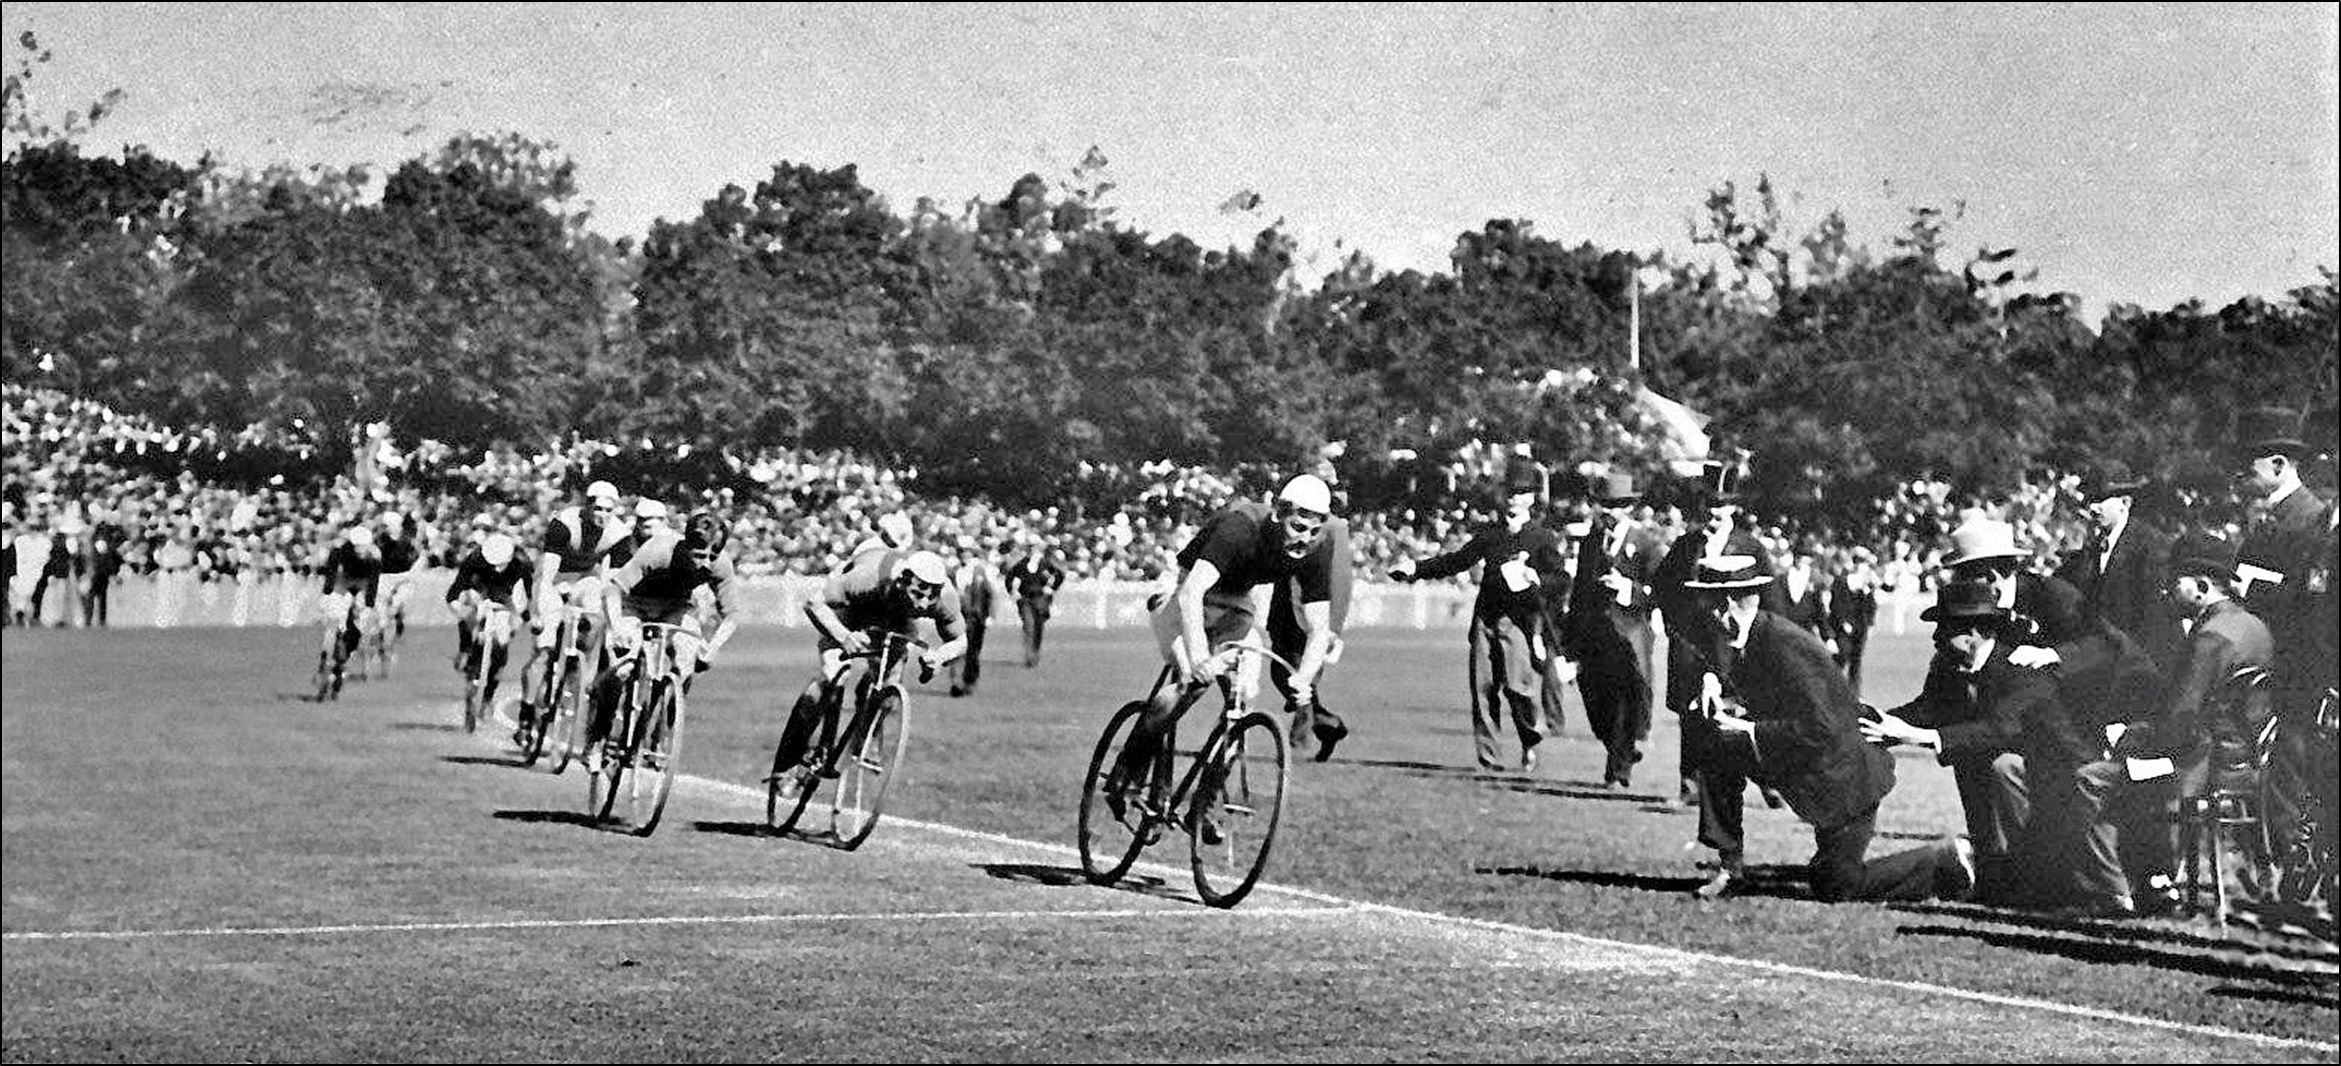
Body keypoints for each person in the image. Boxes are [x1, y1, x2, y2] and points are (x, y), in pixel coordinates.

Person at [1682, 554, 1975, 903]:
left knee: (1837, 884)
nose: (1707, 611)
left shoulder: (1785, 644)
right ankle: (1731, 868)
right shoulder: (1742, 633)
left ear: (1731, 602)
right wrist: (1712, 680)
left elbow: (1821, 727)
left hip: (1845, 778)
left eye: (1713, 601)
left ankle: (1946, 860)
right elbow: (1718, 656)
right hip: (1807, 764)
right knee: (1715, 746)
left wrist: (1749, 730)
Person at [2068, 532, 2276, 915]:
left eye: (2173, 582)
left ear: (2200, 586)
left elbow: (2180, 725)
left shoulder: (2211, 637)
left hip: (2199, 766)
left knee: (2090, 780)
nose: (2165, 590)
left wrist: (2129, 735)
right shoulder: (2255, 626)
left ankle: (2115, 891)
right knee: (2125, 779)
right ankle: (2154, 879)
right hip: (2244, 765)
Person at [1114, 474, 1341, 811]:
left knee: (1243, 699)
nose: (1304, 539)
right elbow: (1192, 592)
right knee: (1190, 682)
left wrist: (1304, 679)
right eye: (1298, 527)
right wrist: (1201, 657)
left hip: (1238, 602)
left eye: (1313, 531)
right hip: (1188, 589)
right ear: (1279, 514)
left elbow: (1319, 627)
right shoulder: (1241, 526)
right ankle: (1129, 765)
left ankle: (1205, 802)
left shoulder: (1316, 548)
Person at [1863, 579, 2087, 907]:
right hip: (2008, 776)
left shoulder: (2019, 670)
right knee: (1969, 757)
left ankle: (2033, 874)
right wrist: (1874, 720)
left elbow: (2001, 729)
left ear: (1973, 634)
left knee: (2000, 764)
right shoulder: (1949, 666)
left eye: (1944, 629)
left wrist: (1923, 737)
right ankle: (1995, 868)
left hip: (2061, 781)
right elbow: (1928, 709)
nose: (1936, 638)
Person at [1392, 465, 1568, 774]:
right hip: (1486, 618)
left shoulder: (1541, 538)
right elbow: (1456, 561)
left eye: (1520, 493)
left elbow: (1561, 580)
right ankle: (1489, 759)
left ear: (1531, 499)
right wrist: (1415, 570)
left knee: (1518, 688)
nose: (1513, 499)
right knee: (1483, 688)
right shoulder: (1491, 534)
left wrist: (1536, 577)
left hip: (1517, 622)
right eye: (1510, 492)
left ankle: (1530, 737)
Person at [771, 547, 968, 796]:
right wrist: (843, 637)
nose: (922, 604)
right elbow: (813, 603)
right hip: (851, 610)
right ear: (902, 580)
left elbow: (961, 642)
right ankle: (796, 757)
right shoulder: (868, 579)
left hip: (896, 619)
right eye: (917, 594)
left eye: (929, 599)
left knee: (890, 682)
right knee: (835, 672)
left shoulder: (945, 598)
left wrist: (939, 657)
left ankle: (869, 729)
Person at [2230, 405, 2329, 873]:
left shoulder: (2312, 519)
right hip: (2265, 662)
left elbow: (2312, 599)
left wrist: (2255, 589)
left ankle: (2298, 873)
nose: (2242, 477)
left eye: (2249, 467)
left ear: (2277, 465)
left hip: (2299, 666)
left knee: (2296, 767)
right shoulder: (2265, 517)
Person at [1652, 459, 1783, 808]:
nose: (1716, 513)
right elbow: (1662, 589)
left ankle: (1768, 779)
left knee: (1744, 713)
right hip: (1694, 644)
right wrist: (1676, 624)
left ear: (1734, 508)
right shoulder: (1685, 546)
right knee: (1693, 714)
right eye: (1711, 505)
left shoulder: (1750, 547)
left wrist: (1764, 638)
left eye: (1723, 505)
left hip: (1736, 644)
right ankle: (1690, 784)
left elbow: (1771, 598)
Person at [584, 511, 742, 772]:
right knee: (623, 669)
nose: (705, 563)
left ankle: (659, 732)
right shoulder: (659, 550)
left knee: (686, 661)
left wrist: (712, 649)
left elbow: (733, 614)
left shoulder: (721, 565)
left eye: (712, 556)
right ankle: (598, 737)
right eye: (699, 555)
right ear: (686, 545)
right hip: (633, 604)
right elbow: (613, 589)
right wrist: (617, 629)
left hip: (676, 607)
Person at [1563, 470, 1662, 788]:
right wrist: (1570, 641)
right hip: (1594, 633)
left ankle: (1617, 768)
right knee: (1596, 701)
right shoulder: (1592, 540)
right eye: (1603, 504)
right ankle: (1622, 749)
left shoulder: (1646, 543)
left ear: (1628, 508)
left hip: (1629, 632)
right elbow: (1579, 588)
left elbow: (1661, 590)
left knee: (1624, 699)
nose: (1608, 511)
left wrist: (1627, 589)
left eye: (1615, 505)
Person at [516, 480, 632, 741]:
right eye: (598, 508)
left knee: (595, 605)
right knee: (543, 650)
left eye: (608, 510)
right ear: (587, 506)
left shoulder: (620, 534)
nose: (602, 515)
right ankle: (526, 714)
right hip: (556, 579)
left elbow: (610, 581)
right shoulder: (565, 523)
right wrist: (537, 612)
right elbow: (546, 574)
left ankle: (577, 662)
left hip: (586, 580)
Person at [2055, 460, 2177, 679]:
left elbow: (2152, 620)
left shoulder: (2152, 547)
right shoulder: (2091, 549)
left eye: (2101, 499)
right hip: (2100, 663)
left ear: (2125, 502)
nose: (2092, 507)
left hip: (2139, 668)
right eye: (2090, 499)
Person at [1269, 468, 1354, 761]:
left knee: (1300, 677)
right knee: (1281, 673)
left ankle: (1296, 743)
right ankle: (1328, 725)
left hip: (1311, 615)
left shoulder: (1334, 528)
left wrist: (1334, 628)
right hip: (1283, 611)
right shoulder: (1291, 522)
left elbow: (1340, 579)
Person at [444, 532, 531, 708]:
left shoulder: (522, 562)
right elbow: (457, 587)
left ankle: (490, 690)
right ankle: (467, 648)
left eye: (500, 565)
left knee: (502, 641)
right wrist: (459, 607)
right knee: (469, 608)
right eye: (492, 564)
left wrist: (521, 616)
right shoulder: (474, 558)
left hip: (507, 594)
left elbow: (527, 594)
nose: (496, 569)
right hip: (480, 590)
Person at [314, 524, 385, 688]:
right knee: (336, 618)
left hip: (361, 584)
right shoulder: (340, 550)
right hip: (344, 581)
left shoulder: (374, 556)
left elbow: (373, 583)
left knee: (358, 626)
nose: (359, 550)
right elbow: (331, 573)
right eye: (356, 546)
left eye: (362, 546)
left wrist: (368, 606)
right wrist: (326, 595)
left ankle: (345, 656)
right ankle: (328, 652)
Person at [948, 538, 1006, 697]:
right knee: (956, 650)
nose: (964, 555)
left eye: (967, 552)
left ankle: (970, 681)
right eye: (961, 552)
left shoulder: (981, 571)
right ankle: (956, 683)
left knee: (973, 652)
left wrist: (990, 616)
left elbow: (991, 595)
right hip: (957, 618)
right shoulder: (953, 572)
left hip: (976, 618)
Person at [1005, 540, 1066, 668]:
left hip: (1040, 599)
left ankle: (1035, 653)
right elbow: (1009, 577)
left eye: (1033, 547)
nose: (1031, 550)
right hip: (1026, 599)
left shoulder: (1045, 564)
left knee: (1038, 627)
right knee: (1029, 625)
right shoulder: (1022, 564)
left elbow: (1059, 575)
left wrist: (1052, 588)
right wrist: (1013, 591)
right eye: (1029, 547)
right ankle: (1029, 656)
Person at [1834, 547, 1882, 698]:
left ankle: (1854, 694)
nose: (1860, 565)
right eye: (1858, 561)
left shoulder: (1866, 583)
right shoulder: (1842, 580)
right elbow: (1837, 604)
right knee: (1842, 655)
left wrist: (1870, 623)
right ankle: (1835, 686)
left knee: (1856, 660)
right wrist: (1843, 622)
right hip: (1845, 625)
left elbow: (1871, 606)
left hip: (1861, 625)